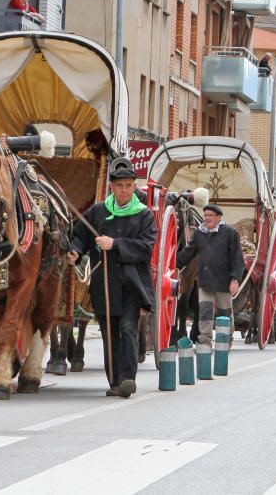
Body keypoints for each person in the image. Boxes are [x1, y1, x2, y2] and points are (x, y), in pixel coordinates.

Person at [68, 157, 157, 398]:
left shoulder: (144, 215)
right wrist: (75, 251)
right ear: (112, 187)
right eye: (120, 186)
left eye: (129, 185)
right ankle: (115, 381)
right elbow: (80, 236)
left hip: (132, 283)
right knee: (110, 331)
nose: (124, 190)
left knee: (128, 328)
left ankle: (128, 378)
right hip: (104, 284)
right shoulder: (98, 211)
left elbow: (146, 247)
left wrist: (114, 244)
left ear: (134, 187)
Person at [177, 203, 245, 347]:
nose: (207, 218)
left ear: (218, 217)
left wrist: (235, 279)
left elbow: (237, 258)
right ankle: (205, 342)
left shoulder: (229, 233)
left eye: (210, 216)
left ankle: (226, 340)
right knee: (205, 313)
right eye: (205, 215)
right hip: (205, 281)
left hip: (223, 281)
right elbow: (188, 253)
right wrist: (171, 261)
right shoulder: (199, 233)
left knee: (224, 314)